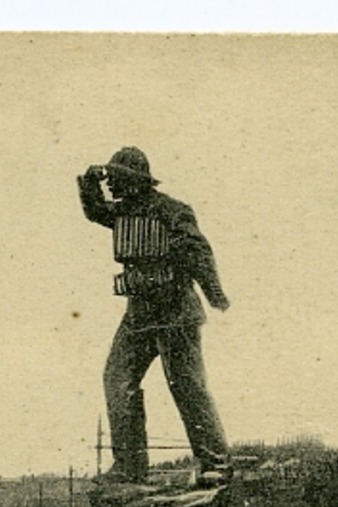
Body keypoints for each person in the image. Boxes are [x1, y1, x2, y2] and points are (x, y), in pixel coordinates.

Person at [79, 147, 232, 486]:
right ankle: (130, 466)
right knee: (117, 379)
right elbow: (94, 210)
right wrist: (89, 182)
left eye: (116, 181)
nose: (112, 189)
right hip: (139, 314)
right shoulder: (123, 213)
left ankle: (215, 462)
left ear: (134, 181)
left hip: (176, 312)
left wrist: (215, 294)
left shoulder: (172, 211)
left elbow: (199, 252)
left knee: (187, 386)